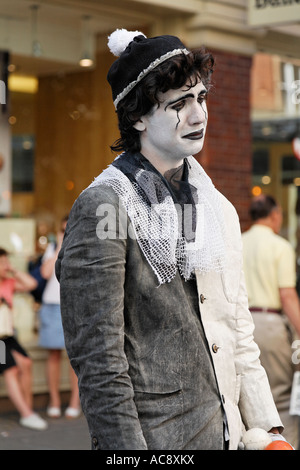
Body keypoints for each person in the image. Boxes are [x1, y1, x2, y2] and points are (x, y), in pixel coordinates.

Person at [56, 29, 286, 450]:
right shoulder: (106, 206)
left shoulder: (215, 205)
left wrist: (268, 431)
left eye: (200, 98)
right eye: (179, 104)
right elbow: (100, 363)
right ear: (138, 116)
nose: (198, 115)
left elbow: (236, 327)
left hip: (230, 436)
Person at [242, 194, 300, 449]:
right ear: (275, 216)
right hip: (271, 324)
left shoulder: (237, 241)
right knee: (282, 399)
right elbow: (286, 295)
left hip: (240, 323)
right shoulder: (280, 246)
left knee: (245, 396)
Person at [0, 247, 48, 430]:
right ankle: (26, 414)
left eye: (6, 261)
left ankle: (27, 409)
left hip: (7, 335)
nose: (6, 265)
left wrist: (13, 271)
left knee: (26, 363)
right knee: (11, 370)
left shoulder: (8, 282)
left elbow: (31, 284)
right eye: (2, 262)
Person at [39, 215, 80, 419]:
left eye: (68, 229)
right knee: (53, 355)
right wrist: (59, 246)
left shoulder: (82, 246)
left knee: (75, 358)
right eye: (62, 230)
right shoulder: (53, 248)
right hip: (52, 306)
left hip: (74, 305)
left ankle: (75, 401)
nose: (66, 233)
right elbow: (46, 273)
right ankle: (54, 400)